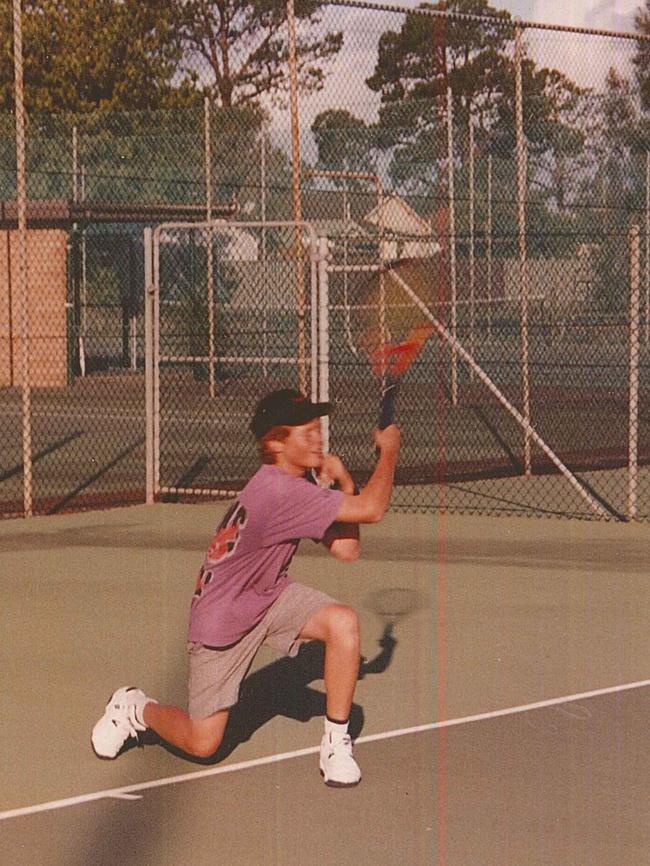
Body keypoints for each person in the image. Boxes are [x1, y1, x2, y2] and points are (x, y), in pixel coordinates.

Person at [91, 388, 400, 787]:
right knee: (204, 744)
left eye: (316, 428)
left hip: (270, 595)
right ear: (275, 442)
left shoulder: (293, 483)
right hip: (221, 620)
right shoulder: (280, 491)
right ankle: (133, 708)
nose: (317, 437)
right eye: (304, 431)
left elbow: (346, 550)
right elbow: (371, 509)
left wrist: (341, 479)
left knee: (342, 623)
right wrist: (388, 452)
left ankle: (336, 743)